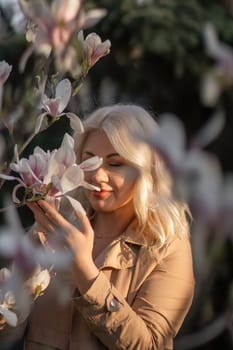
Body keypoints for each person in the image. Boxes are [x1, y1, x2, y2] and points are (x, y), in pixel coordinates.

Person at [1, 104, 195, 350]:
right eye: (89, 160)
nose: (97, 175)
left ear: (147, 169)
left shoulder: (167, 246)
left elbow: (151, 345)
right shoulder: (53, 228)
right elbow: (8, 331)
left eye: (115, 164)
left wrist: (85, 270)